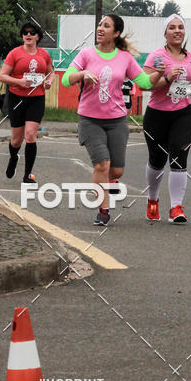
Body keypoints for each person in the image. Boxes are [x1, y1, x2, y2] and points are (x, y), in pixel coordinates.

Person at [62, 14, 160, 226]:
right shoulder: (86, 54)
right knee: (102, 164)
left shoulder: (124, 58)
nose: (100, 29)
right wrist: (83, 74)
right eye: (99, 25)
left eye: (106, 26)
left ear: (116, 33)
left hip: (116, 120)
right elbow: (66, 78)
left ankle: (110, 182)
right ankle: (103, 210)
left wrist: (162, 74)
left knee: (116, 170)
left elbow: (144, 82)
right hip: (90, 119)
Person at [142, 14, 191, 223]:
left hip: (183, 113)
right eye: (172, 28)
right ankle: (153, 200)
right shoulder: (156, 57)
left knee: (179, 156)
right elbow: (146, 84)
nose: (177, 31)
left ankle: (176, 208)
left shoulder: (190, 56)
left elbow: (187, 76)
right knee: (157, 160)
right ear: (165, 33)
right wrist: (168, 77)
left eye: (180, 27)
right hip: (157, 115)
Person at [0, 22, 54, 185]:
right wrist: (19, 82)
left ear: (38, 36)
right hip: (17, 98)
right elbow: (2, 76)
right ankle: (13, 157)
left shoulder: (44, 54)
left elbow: (51, 73)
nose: (28, 35)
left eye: (32, 32)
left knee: (30, 135)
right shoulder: (15, 53)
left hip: (37, 98)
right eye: (25, 33)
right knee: (16, 140)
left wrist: (49, 82)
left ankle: (27, 175)